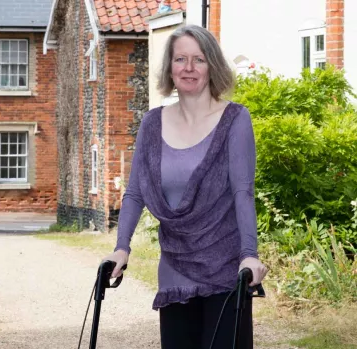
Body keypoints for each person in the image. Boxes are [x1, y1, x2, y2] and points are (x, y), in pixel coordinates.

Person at [103, 25, 268, 349]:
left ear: (213, 67)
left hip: (225, 270)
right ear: (170, 67)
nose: (189, 68)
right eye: (180, 59)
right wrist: (122, 248)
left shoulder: (235, 120)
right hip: (175, 270)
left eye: (198, 59)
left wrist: (249, 255)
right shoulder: (152, 123)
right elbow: (135, 192)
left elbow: (242, 192)